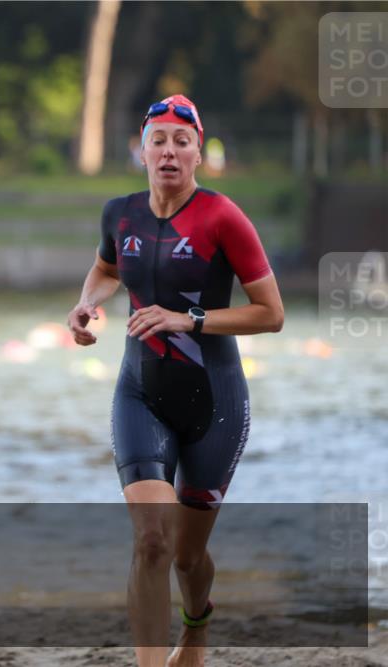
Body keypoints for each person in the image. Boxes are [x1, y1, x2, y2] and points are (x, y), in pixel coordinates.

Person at [67, 94, 284, 667]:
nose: (168, 151)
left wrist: (189, 319)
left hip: (214, 400)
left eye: (180, 142)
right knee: (152, 540)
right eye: (158, 140)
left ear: (198, 154)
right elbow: (108, 268)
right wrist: (87, 304)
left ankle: (197, 623)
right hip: (140, 392)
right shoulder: (120, 214)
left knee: (188, 558)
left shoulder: (222, 217)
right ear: (141, 150)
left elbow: (271, 313)